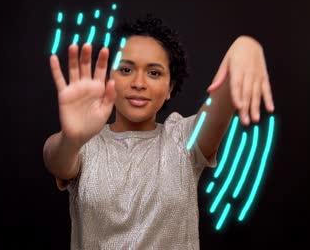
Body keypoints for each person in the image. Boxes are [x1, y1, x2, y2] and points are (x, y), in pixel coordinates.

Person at [43, 16, 274, 248]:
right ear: (108, 78)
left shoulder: (184, 138)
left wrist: (246, 46)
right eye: (125, 69)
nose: (139, 83)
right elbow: (55, 159)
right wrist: (72, 139)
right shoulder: (83, 145)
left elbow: (224, 99)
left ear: (169, 88)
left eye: (154, 73)